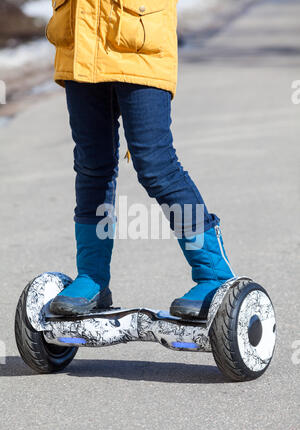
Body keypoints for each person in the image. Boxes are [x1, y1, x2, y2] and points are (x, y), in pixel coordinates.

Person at [46, 0, 235, 319]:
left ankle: (214, 275)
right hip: (80, 41)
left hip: (139, 41)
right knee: (92, 165)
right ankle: (92, 279)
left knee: (155, 165)